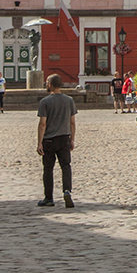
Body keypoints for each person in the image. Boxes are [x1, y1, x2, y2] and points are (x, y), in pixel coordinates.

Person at [36, 73, 78, 209]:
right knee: (66, 166)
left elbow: (42, 124)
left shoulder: (45, 102)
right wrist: (72, 139)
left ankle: (48, 198)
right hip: (64, 138)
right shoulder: (69, 100)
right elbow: (72, 122)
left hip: (49, 140)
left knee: (48, 169)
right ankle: (67, 190)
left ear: (50, 85)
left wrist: (39, 142)